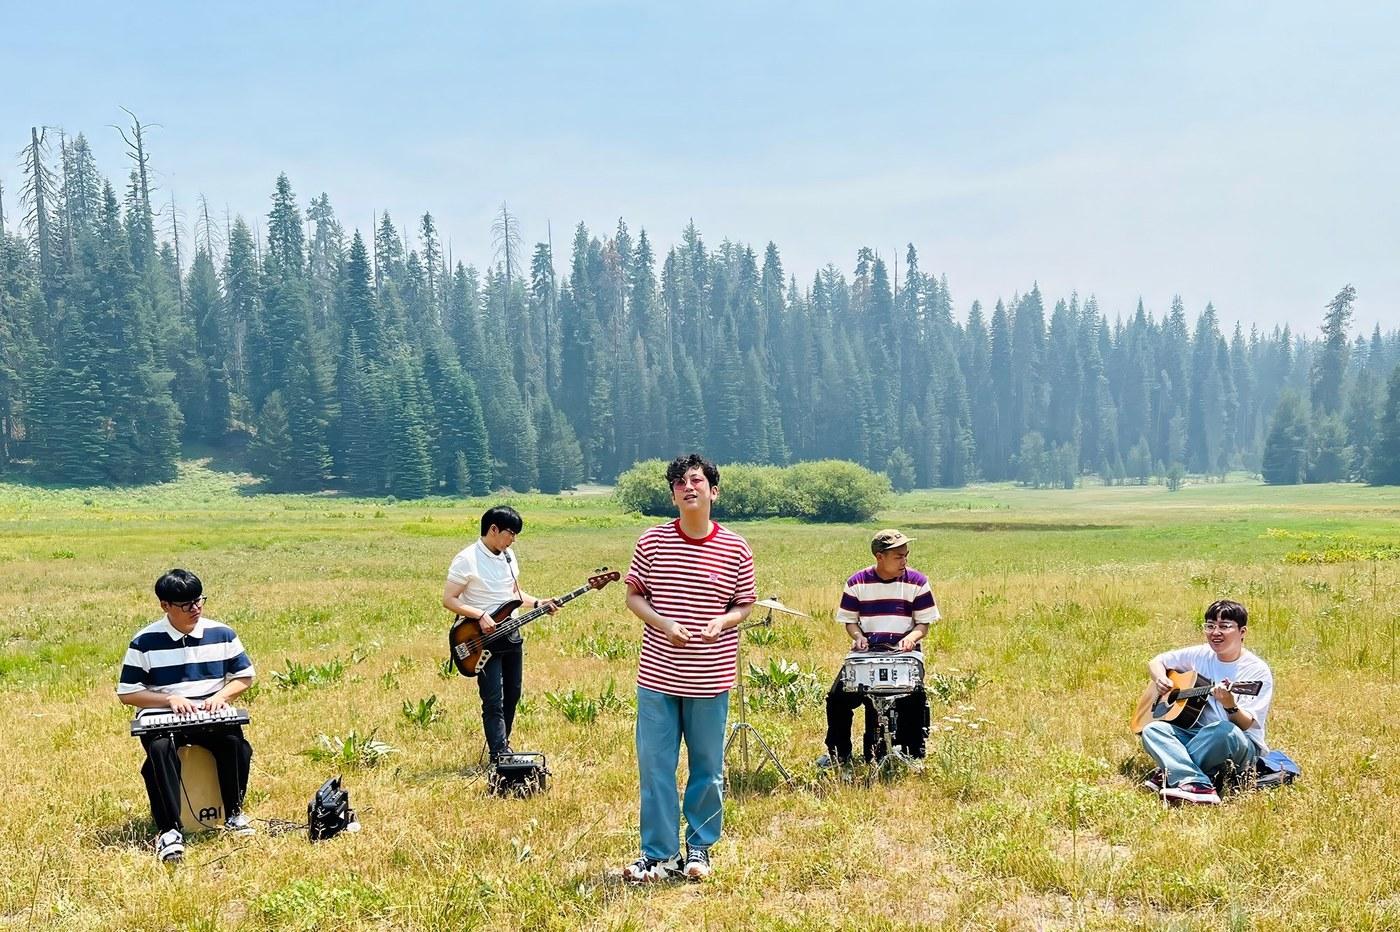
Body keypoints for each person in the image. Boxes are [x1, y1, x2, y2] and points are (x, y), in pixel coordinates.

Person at [620, 454, 756, 883]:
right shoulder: (652, 541)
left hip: (711, 677)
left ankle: (699, 847)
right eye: (679, 482)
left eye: (696, 480)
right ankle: (657, 854)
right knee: (656, 766)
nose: (688, 487)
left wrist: (724, 621)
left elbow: (745, 603)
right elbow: (634, 596)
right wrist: (663, 624)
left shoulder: (736, 546)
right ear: (673, 494)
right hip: (658, 677)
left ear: (713, 491)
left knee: (707, 768)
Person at [117, 569, 256, 862]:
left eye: (198, 601)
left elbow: (245, 676)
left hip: (210, 713)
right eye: (186, 605)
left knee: (236, 744)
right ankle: (169, 831)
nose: (195, 609)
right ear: (164, 605)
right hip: (164, 716)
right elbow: (127, 693)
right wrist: (169, 699)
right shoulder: (144, 641)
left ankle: (233, 814)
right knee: (159, 749)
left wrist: (220, 697)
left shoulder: (222, 633)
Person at [443, 505, 556, 763]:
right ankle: (499, 755)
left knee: (513, 693)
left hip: (511, 634)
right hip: (481, 640)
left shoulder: (508, 556)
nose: (513, 539)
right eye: (510, 533)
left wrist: (539, 603)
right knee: (494, 697)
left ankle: (503, 743)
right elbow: (449, 599)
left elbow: (513, 596)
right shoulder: (467, 559)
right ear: (493, 529)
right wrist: (479, 615)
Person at [820, 529, 938, 767]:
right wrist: (858, 636)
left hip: (904, 655)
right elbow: (850, 621)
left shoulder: (918, 582)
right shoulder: (857, 582)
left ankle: (912, 752)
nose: (904, 561)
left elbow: (923, 624)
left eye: (906, 555)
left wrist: (911, 638)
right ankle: (838, 754)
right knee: (837, 699)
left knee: (913, 698)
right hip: (866, 655)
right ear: (879, 556)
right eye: (898, 556)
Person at [1140, 599, 1274, 805]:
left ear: (1242, 631)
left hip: (1239, 744)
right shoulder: (1201, 654)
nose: (1215, 632)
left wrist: (1230, 704)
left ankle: (1173, 772)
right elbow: (1156, 661)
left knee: (1223, 730)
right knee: (1153, 730)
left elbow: (1246, 724)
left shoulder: (1256, 671)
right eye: (1210, 626)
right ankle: (1196, 783)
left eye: (1224, 626)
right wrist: (1161, 678)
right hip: (1197, 735)